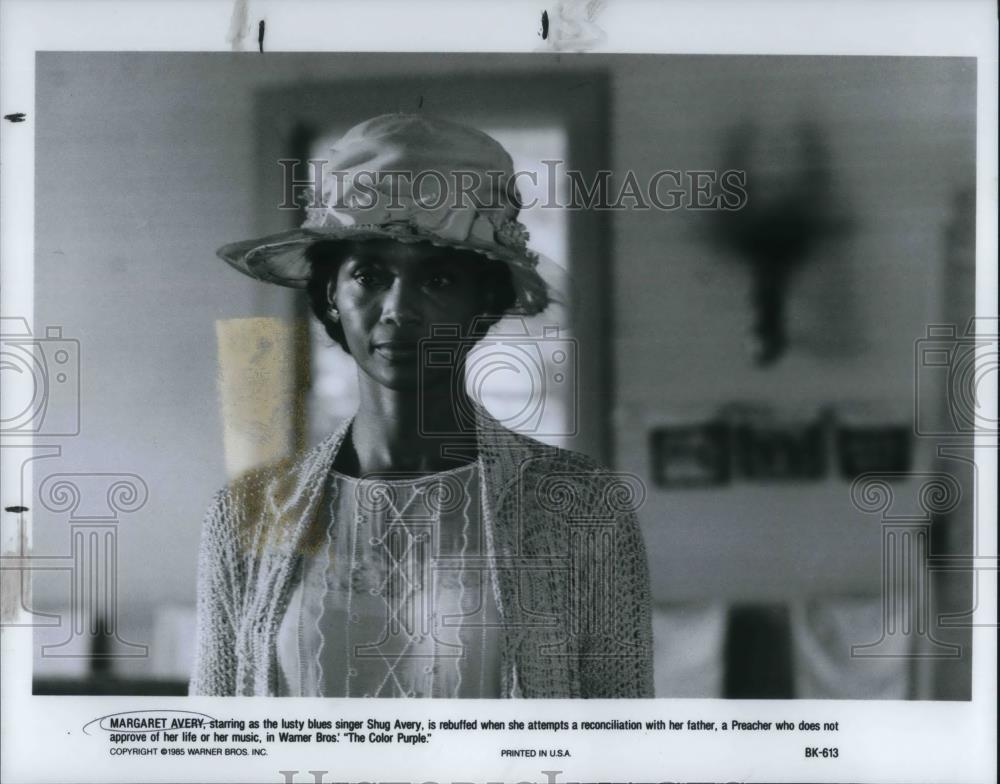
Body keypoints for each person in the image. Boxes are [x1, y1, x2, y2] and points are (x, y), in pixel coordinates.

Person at [189, 113, 654, 698]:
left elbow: (619, 740)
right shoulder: (248, 515)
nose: (400, 309)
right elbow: (216, 745)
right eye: (370, 274)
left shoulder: (584, 509)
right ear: (330, 295)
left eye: (438, 281)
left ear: (485, 301)